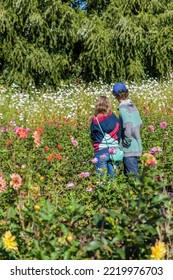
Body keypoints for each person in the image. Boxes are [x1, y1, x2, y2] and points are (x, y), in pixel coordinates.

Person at [112, 82, 142, 176]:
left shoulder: (123, 108)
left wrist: (126, 141)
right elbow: (139, 122)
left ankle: (141, 190)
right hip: (136, 143)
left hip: (129, 147)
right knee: (133, 173)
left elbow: (127, 125)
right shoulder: (132, 105)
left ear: (115, 95)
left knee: (133, 177)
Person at [90, 96, 121, 177]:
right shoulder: (114, 118)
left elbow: (93, 136)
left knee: (101, 180)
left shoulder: (95, 120)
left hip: (101, 152)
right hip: (114, 152)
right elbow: (119, 134)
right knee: (113, 179)